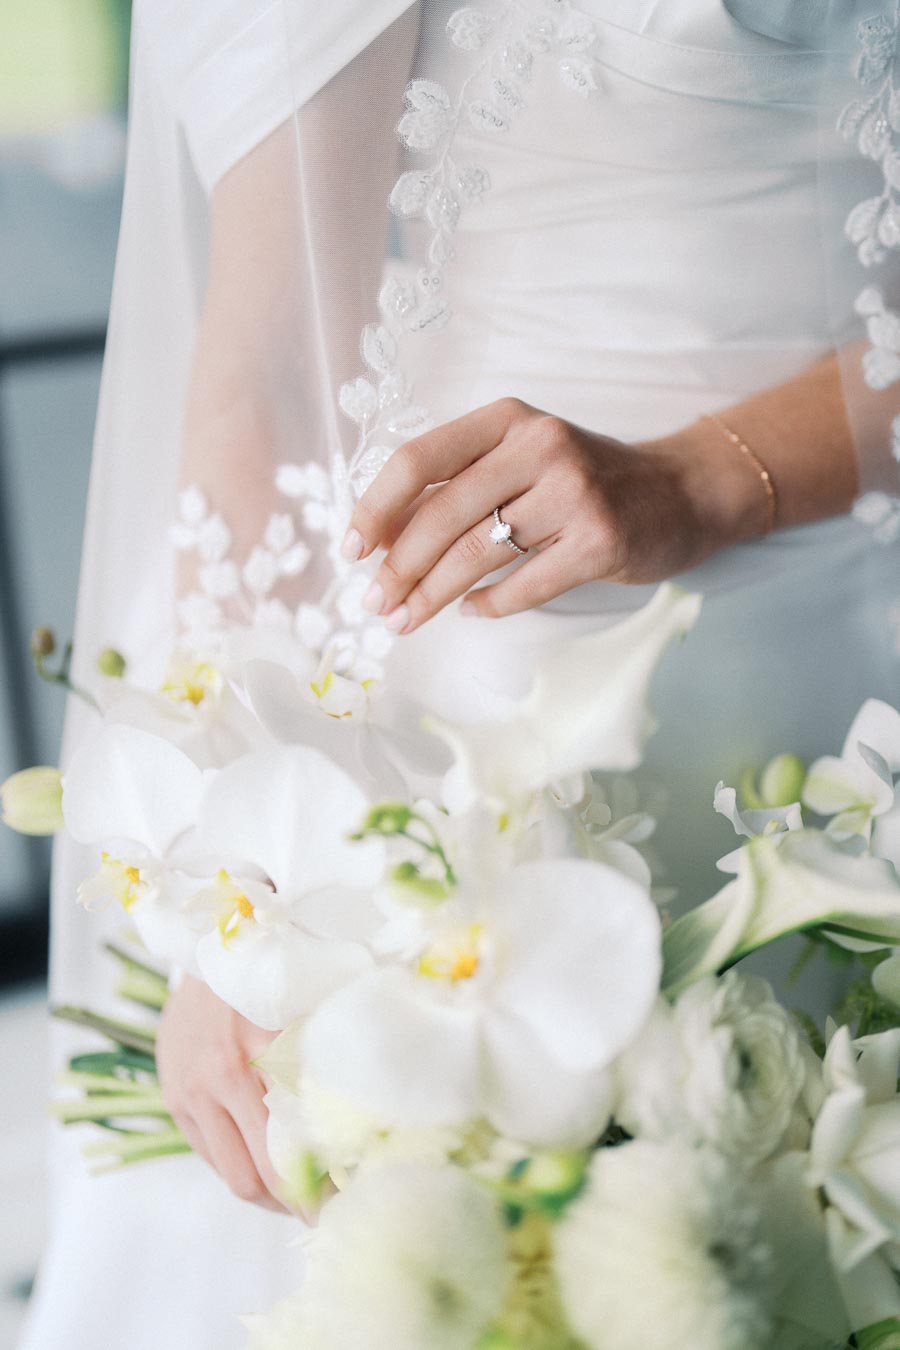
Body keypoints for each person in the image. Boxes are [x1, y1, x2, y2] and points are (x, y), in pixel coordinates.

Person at [20, 1, 900, 1347]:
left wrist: (714, 473)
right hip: (536, 705)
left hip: (862, 642)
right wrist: (236, 891)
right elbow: (259, 376)